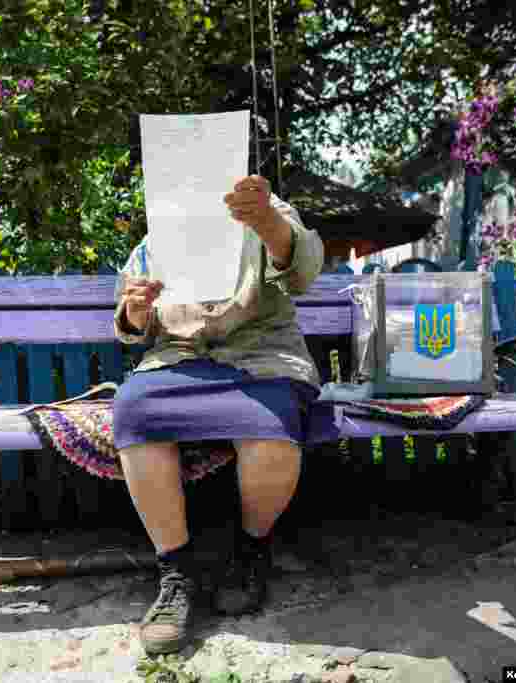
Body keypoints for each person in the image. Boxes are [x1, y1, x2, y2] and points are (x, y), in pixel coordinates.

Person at [112, 174, 325, 655]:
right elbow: (132, 323)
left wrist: (267, 220)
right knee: (133, 409)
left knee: (270, 422)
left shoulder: (267, 212)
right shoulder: (158, 237)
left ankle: (250, 551)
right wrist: (136, 310)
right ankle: (176, 573)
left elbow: (304, 270)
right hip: (178, 362)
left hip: (264, 359)